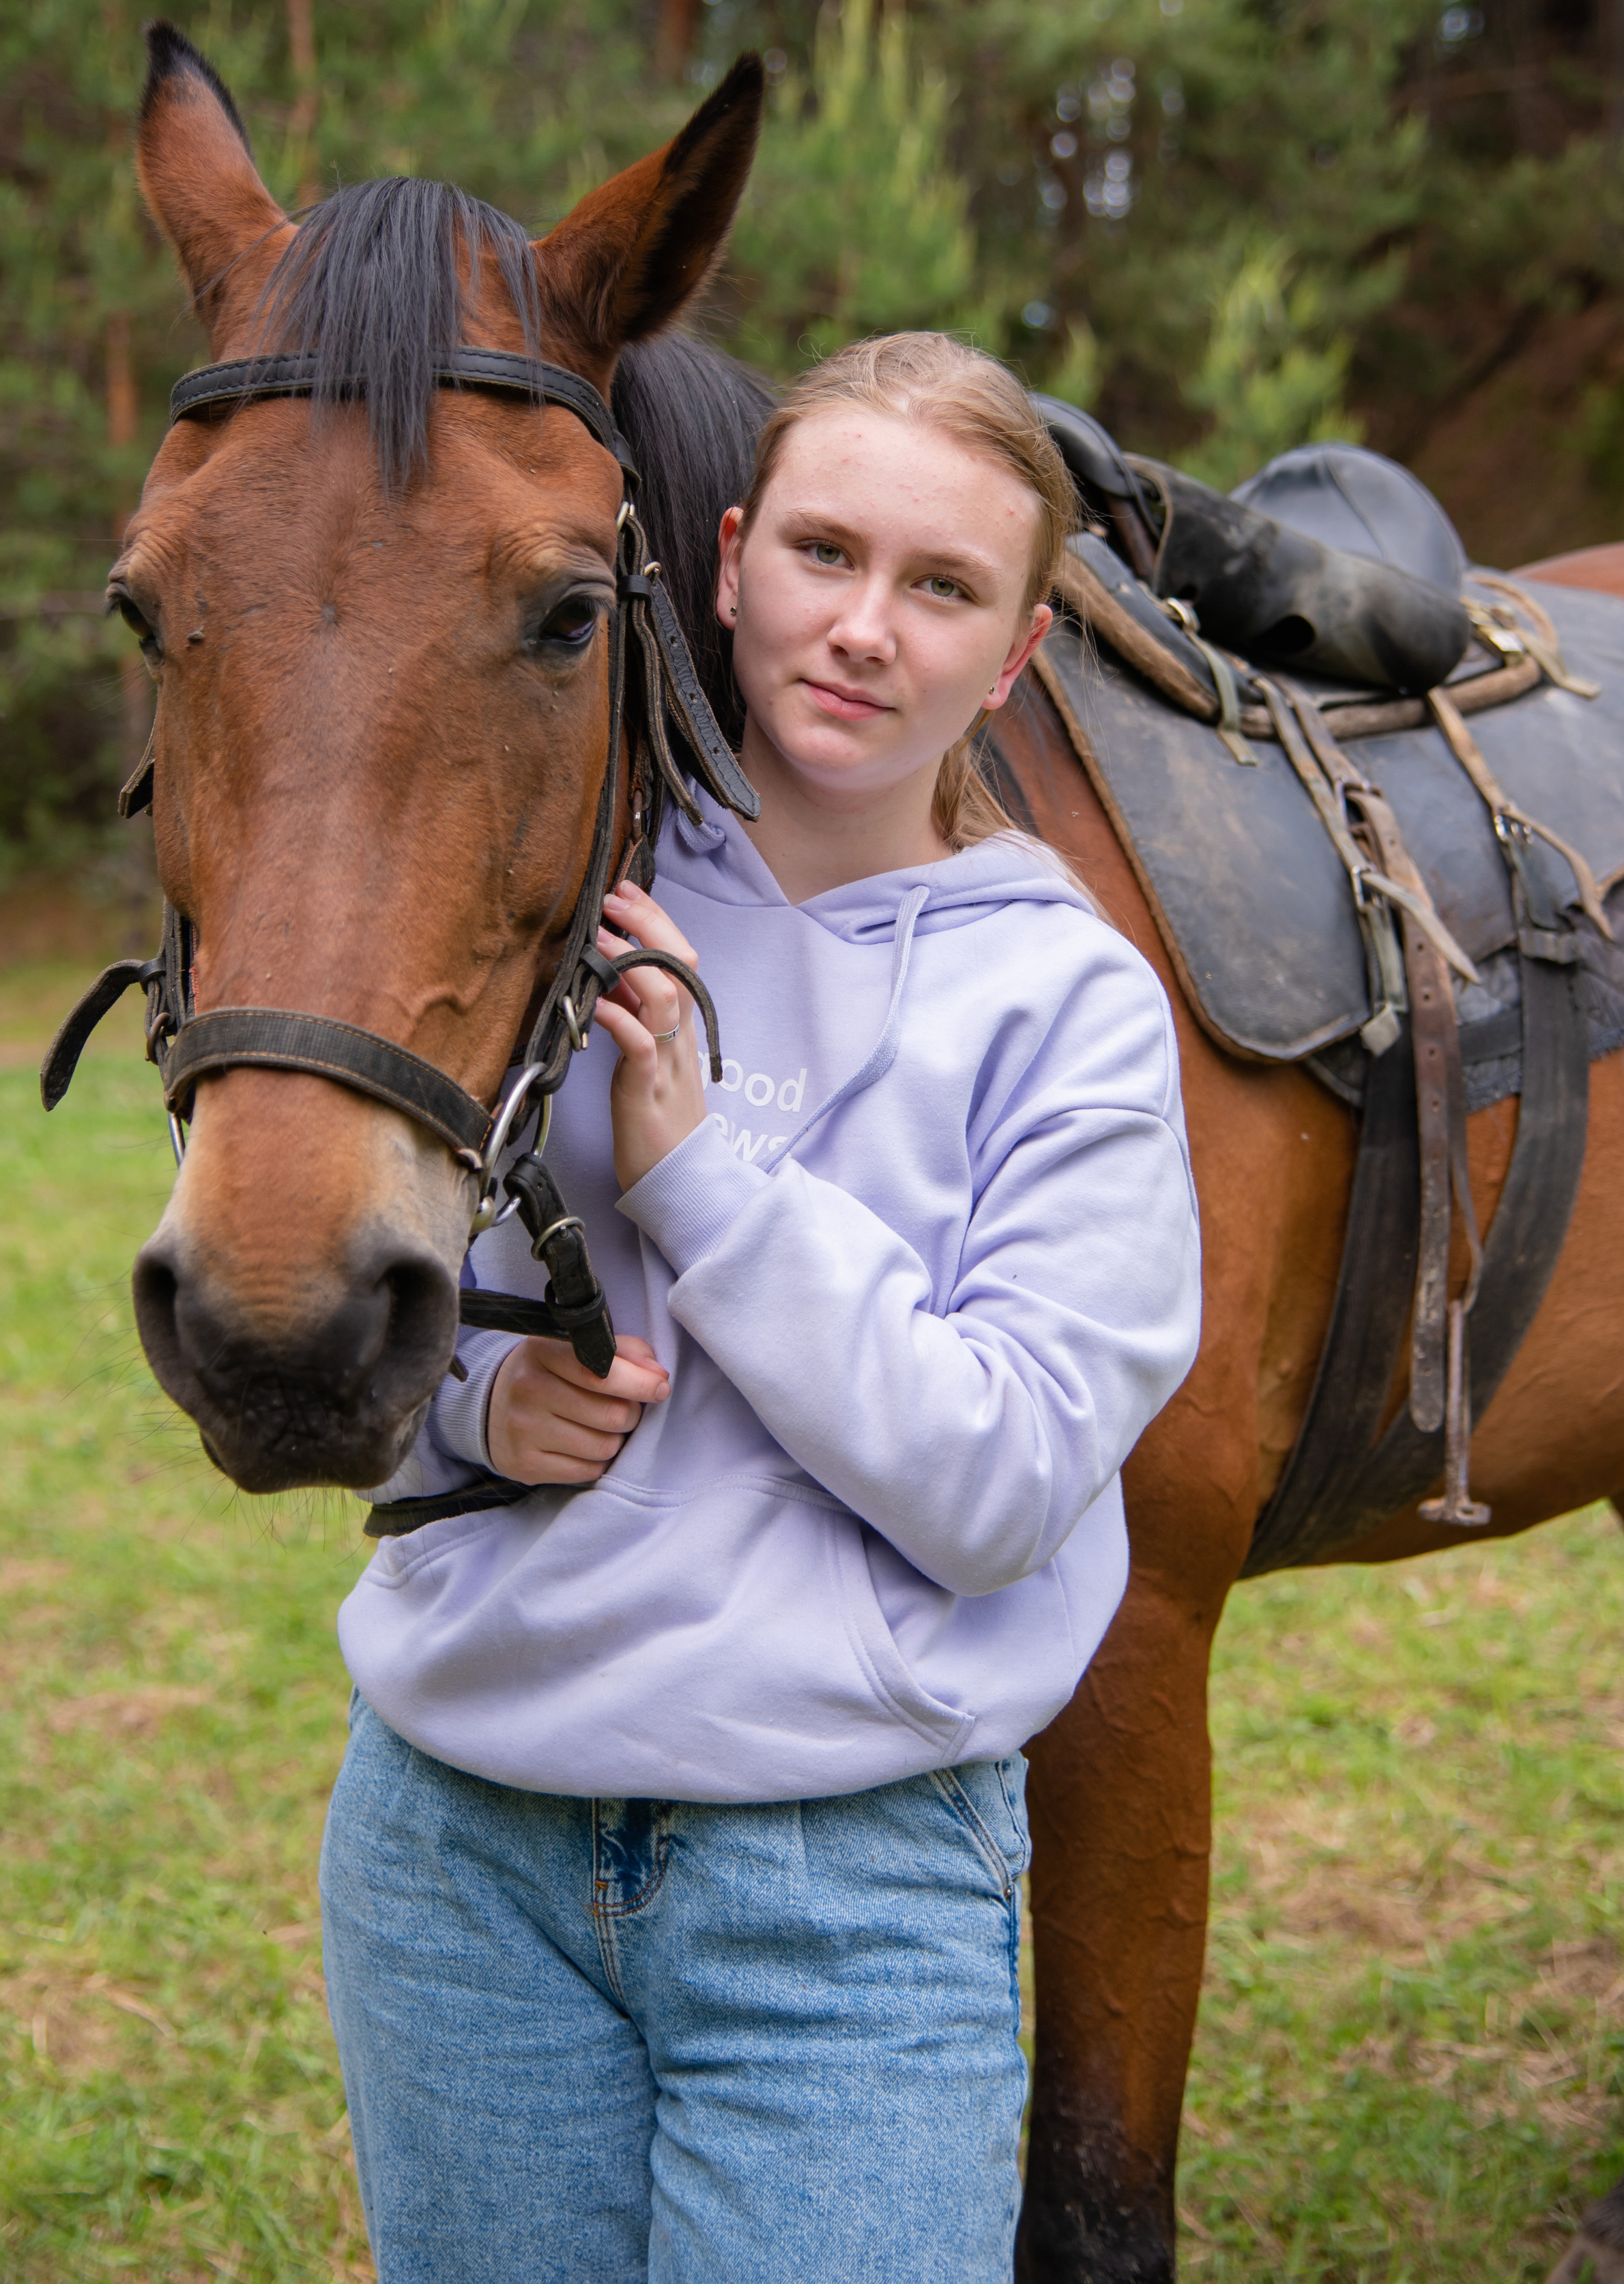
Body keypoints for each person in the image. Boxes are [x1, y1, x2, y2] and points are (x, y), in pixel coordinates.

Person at [321, 332, 1202, 2283]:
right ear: (725, 562)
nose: (864, 627)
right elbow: (345, 1298)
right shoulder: (555, 899)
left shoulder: (1066, 1006)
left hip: (845, 1884)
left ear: (1021, 650)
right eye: (824, 552)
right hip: (463, 1850)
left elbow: (1000, 1483)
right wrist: (478, 1402)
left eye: (943, 585)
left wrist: (707, 1171)